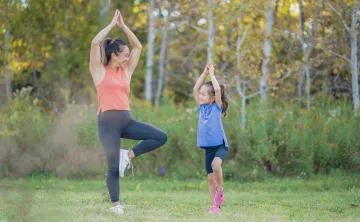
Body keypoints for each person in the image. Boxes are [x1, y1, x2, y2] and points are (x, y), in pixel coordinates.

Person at [89, 10, 168, 215]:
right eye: (124, 55)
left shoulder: (126, 72)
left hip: (126, 120)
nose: (127, 57)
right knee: (113, 166)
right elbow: (95, 43)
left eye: (127, 55)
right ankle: (116, 205)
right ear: (114, 54)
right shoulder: (99, 70)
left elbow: (138, 46)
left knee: (160, 136)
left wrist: (123, 26)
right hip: (106, 124)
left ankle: (129, 155)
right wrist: (111, 25)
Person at [193, 62, 229, 214]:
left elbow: (217, 89)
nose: (199, 96)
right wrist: (204, 73)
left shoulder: (216, 107)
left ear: (213, 98)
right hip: (208, 148)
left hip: (220, 146)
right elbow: (195, 88)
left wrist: (212, 74)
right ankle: (215, 206)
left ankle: (220, 190)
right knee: (209, 179)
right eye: (200, 94)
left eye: (203, 94)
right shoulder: (201, 108)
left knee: (216, 165)